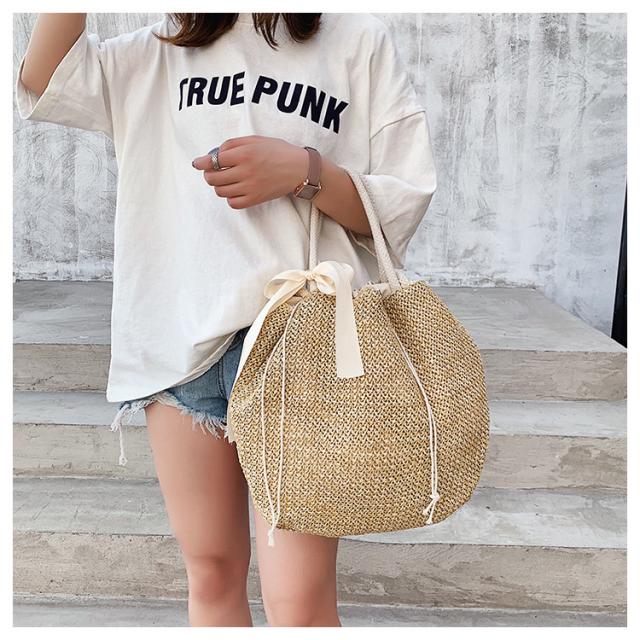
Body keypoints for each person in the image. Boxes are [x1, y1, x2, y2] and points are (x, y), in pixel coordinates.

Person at [16, 12, 437, 627]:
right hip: (182, 346)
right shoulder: (156, 51)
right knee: (211, 571)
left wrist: (307, 172)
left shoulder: (354, 39)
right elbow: (42, 77)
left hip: (302, 347)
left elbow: (400, 204)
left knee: (299, 601)